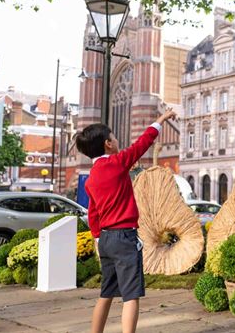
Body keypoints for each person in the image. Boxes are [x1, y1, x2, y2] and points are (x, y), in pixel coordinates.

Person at [75, 108, 176, 333]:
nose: (117, 140)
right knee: (131, 295)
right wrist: (162, 118)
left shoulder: (90, 179)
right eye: (114, 136)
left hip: (106, 239)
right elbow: (143, 142)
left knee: (106, 293)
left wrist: (97, 238)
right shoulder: (117, 163)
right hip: (124, 237)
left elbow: (93, 214)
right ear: (108, 144)